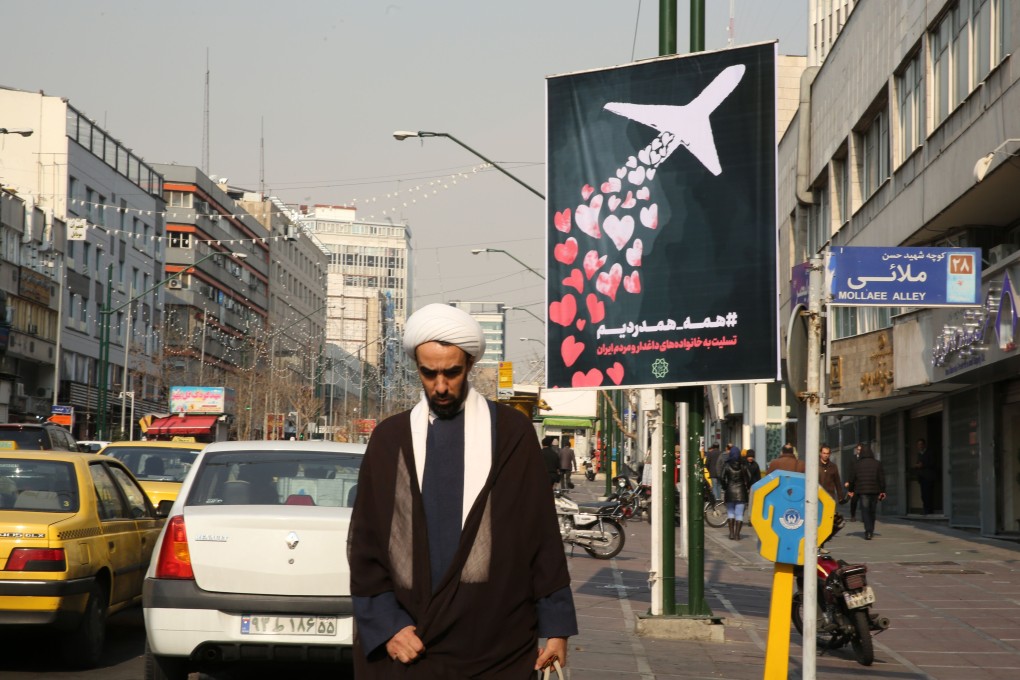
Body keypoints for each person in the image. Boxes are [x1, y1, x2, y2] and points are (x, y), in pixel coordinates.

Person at [348, 303, 577, 677]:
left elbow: (540, 534)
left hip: (495, 643)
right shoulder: (390, 440)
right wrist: (387, 623)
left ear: (469, 364)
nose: (440, 385)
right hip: (410, 642)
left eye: (451, 372)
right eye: (429, 373)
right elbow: (366, 545)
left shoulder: (510, 434)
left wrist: (556, 625)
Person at [846, 443, 886, 540]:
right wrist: (883, 491)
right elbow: (881, 479)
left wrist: (850, 490)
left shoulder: (857, 465)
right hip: (875, 491)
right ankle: (871, 529)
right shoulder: (877, 463)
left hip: (863, 491)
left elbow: (852, 479)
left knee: (865, 511)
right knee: (872, 511)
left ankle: (868, 531)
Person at [720, 446, 752, 540]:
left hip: (730, 491)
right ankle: (737, 534)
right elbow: (749, 477)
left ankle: (731, 533)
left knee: (730, 512)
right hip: (741, 491)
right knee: (739, 514)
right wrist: (746, 486)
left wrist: (725, 486)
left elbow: (722, 477)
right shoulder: (744, 465)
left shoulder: (727, 465)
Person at [913, 438, 937, 515]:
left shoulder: (929, 453)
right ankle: (925, 509)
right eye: (918, 445)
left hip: (928, 477)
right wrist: (917, 466)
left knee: (928, 494)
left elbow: (932, 463)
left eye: (921, 444)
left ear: (924, 445)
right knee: (923, 495)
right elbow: (918, 464)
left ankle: (929, 510)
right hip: (922, 477)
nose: (919, 446)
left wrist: (923, 465)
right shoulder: (919, 454)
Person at [844, 443, 862, 521]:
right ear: (856, 450)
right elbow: (849, 470)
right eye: (858, 449)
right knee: (854, 500)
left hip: (862, 483)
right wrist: (848, 481)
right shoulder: (852, 459)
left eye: (861, 450)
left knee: (864, 501)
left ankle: (864, 517)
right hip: (854, 483)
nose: (859, 451)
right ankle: (853, 515)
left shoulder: (864, 459)